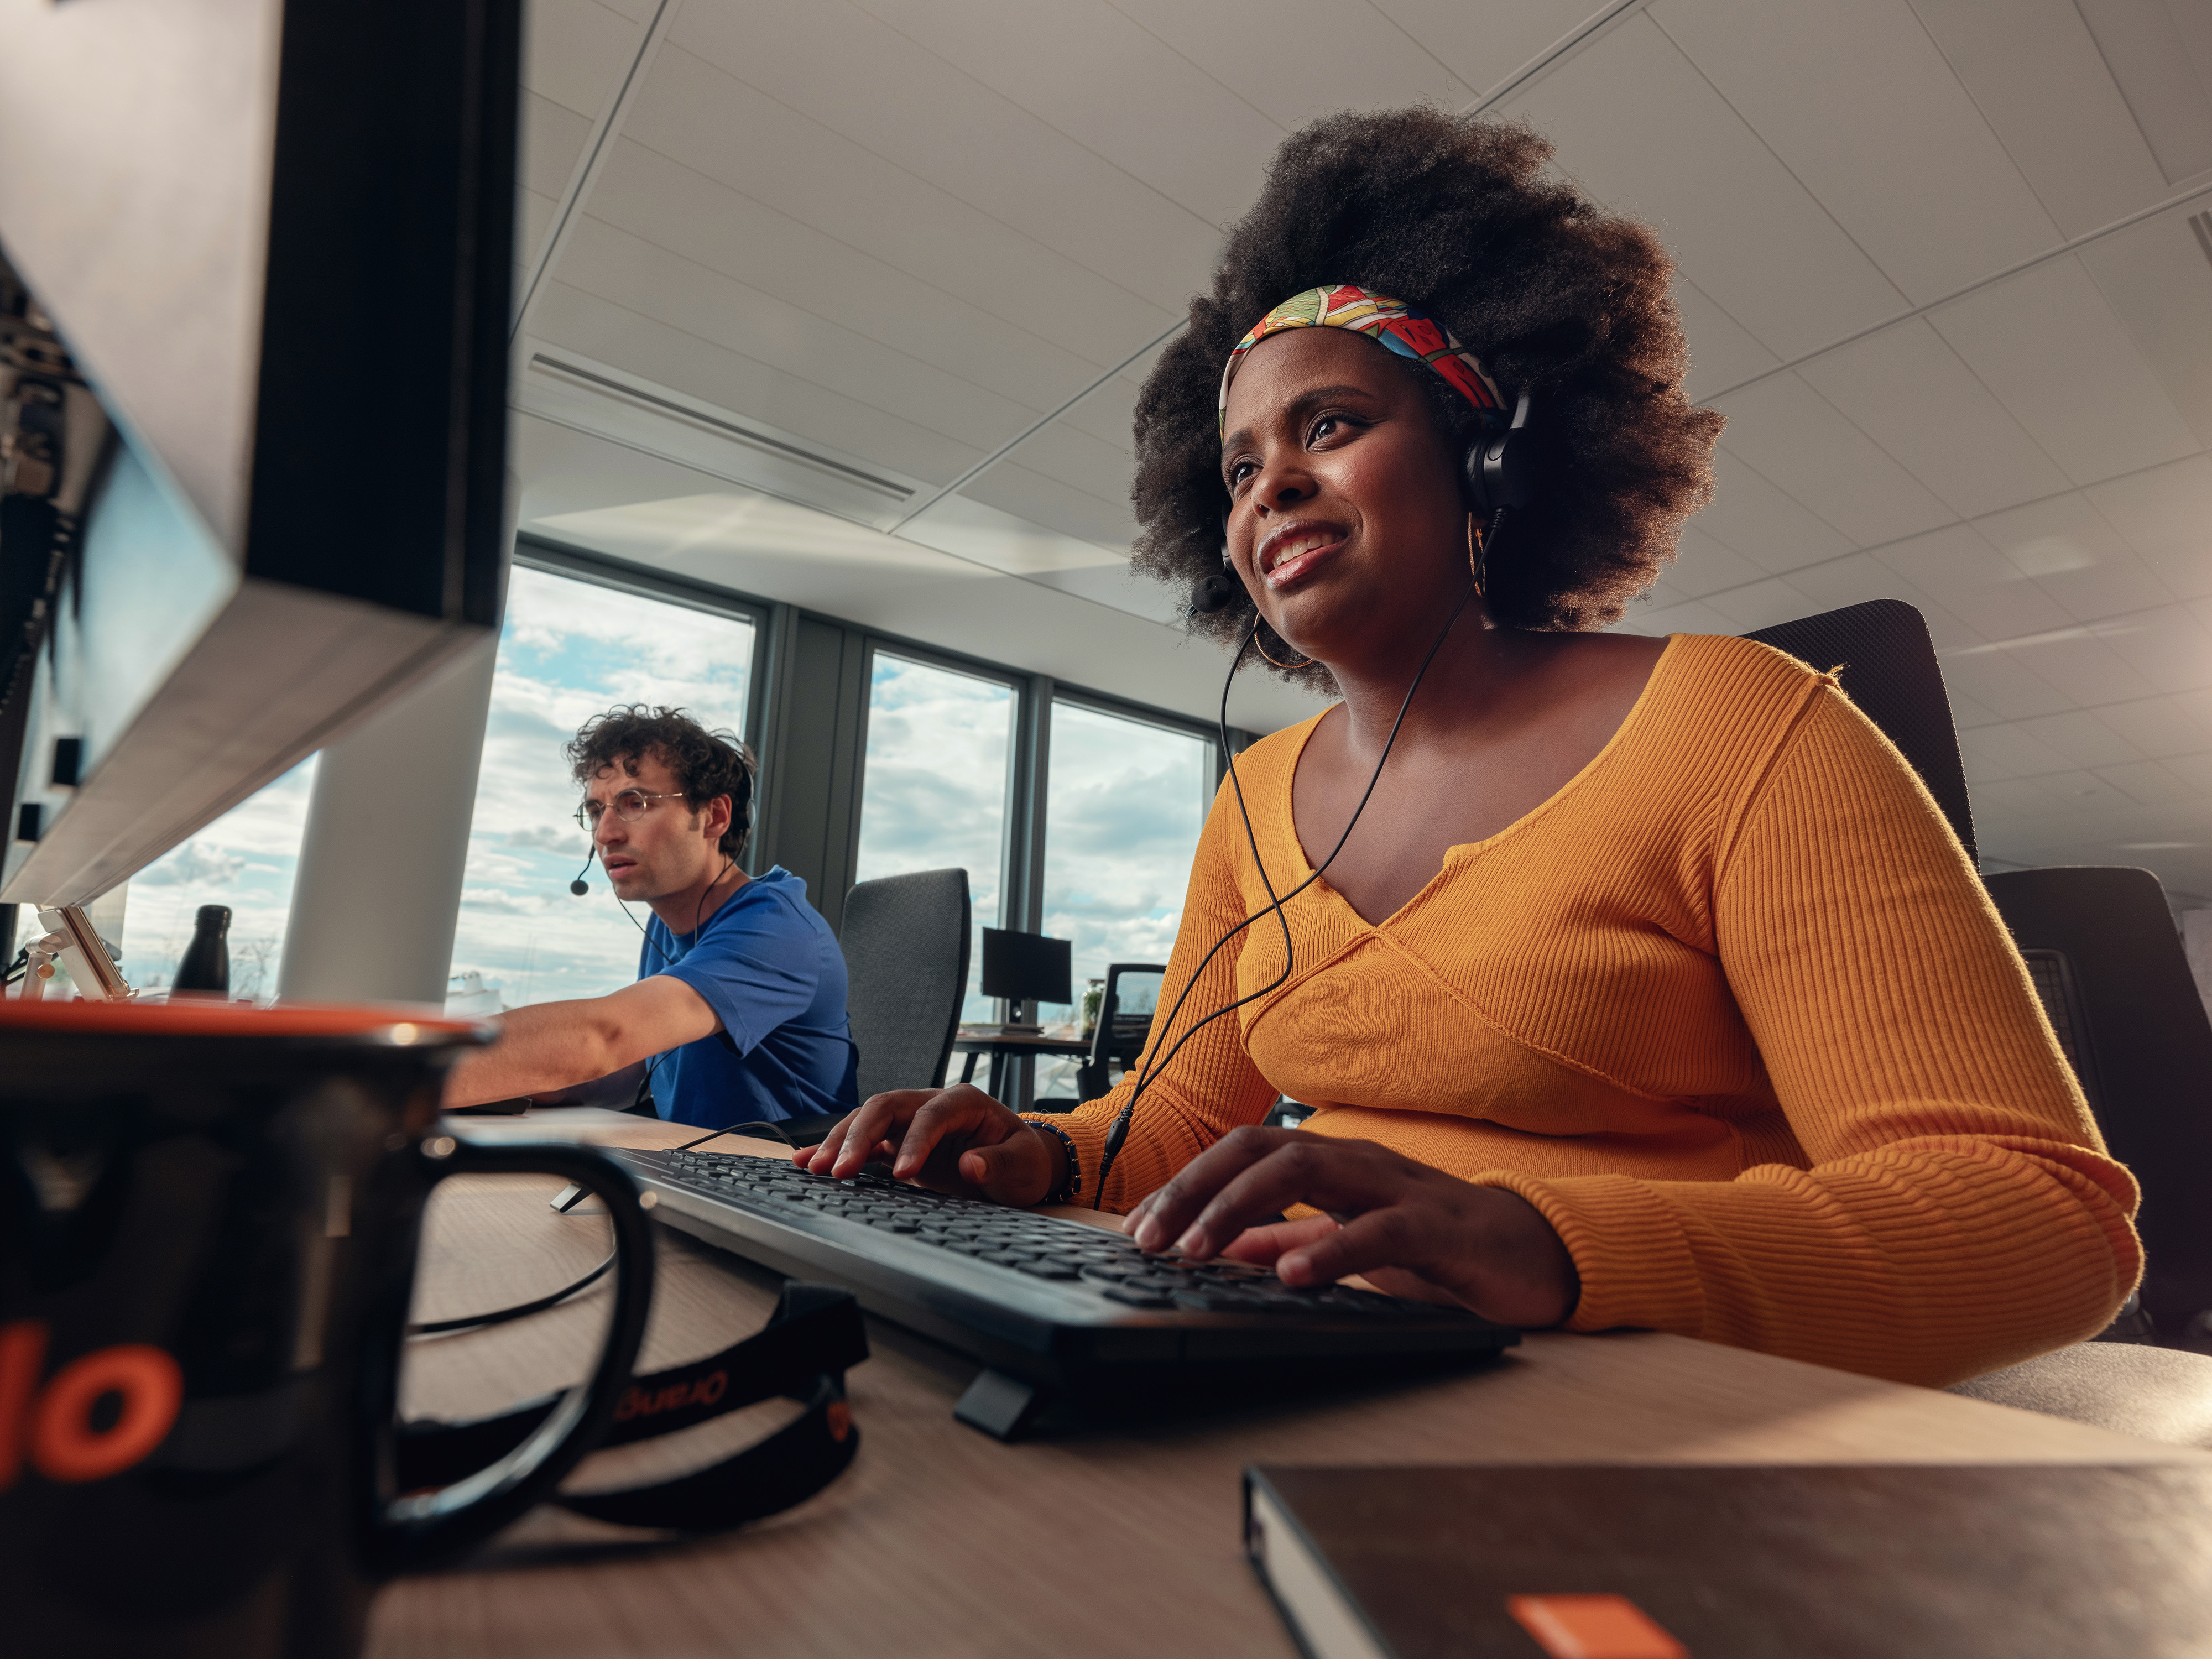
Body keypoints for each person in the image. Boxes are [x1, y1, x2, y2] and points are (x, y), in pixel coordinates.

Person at [795, 108, 2140, 1388]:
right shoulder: (1256, 795)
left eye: (1330, 424)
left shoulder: (1746, 723)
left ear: (1488, 454)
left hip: (1651, 1397)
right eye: (1240, 466)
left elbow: (2035, 1215)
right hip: (1315, 1365)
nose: (1272, 485)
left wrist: (1545, 1241)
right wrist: (1028, 1151)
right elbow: (1175, 1133)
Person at [445, 705, 858, 1128]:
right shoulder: (669, 921)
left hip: (781, 1178)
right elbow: (641, 1065)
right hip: (692, 1162)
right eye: (595, 811)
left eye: (634, 803)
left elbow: (604, 1037)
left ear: (715, 817)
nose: (605, 834)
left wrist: (406, 1073)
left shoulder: (776, 928)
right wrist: (553, 1080)